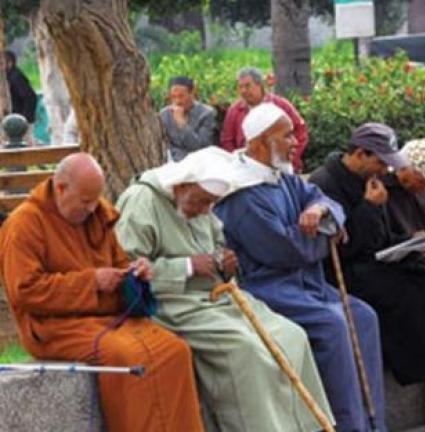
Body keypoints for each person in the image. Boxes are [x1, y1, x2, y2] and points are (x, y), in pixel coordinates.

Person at [115, 146, 333, 432]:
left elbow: (217, 244)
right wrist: (187, 266)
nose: (206, 210)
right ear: (181, 186)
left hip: (216, 297)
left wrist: (224, 261)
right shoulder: (142, 201)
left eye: (212, 203)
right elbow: (127, 270)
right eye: (202, 202)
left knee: (292, 336)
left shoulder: (199, 202)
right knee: (245, 350)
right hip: (172, 303)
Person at [309, 125, 425, 432]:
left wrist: (412, 243)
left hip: (390, 265)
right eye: (380, 162)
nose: (386, 170)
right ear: (360, 154)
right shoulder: (326, 184)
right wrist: (370, 208)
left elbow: (386, 238)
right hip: (354, 276)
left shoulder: (372, 180)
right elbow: (345, 248)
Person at [214, 103, 387, 432]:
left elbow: (328, 203)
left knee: (364, 317)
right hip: (269, 288)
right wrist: (330, 233)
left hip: (308, 283)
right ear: (263, 141)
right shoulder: (241, 195)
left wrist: (321, 210)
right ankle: (347, 425)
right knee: (334, 325)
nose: (295, 142)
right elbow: (286, 250)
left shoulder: (281, 176)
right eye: (287, 136)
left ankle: (374, 423)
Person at [0, 153, 203, 432]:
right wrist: (91, 282)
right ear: (61, 188)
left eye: (96, 200)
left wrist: (134, 272)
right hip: (53, 326)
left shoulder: (96, 213)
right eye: (85, 201)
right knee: (125, 356)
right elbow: (25, 292)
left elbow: (118, 262)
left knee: (176, 350)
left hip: (108, 317)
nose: (93, 208)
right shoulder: (24, 224)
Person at [220, 67, 308, 173]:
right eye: (240, 87)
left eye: (247, 86)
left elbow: (301, 132)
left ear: (260, 85)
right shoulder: (235, 110)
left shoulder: (281, 105)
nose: (243, 91)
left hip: (283, 168)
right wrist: (240, 163)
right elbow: (227, 141)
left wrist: (287, 158)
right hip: (247, 170)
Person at [160, 76, 216, 162]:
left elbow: (201, 147)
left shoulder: (206, 113)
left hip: (200, 162)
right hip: (173, 161)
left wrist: (182, 124)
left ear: (192, 94)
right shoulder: (165, 115)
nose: (177, 101)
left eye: (181, 96)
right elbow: (165, 145)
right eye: (173, 97)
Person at [4, 50, 37, 125]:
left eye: (1, 63)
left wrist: (24, 119)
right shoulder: (8, 77)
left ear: (10, 63)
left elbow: (30, 97)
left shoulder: (15, 77)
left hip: (19, 123)